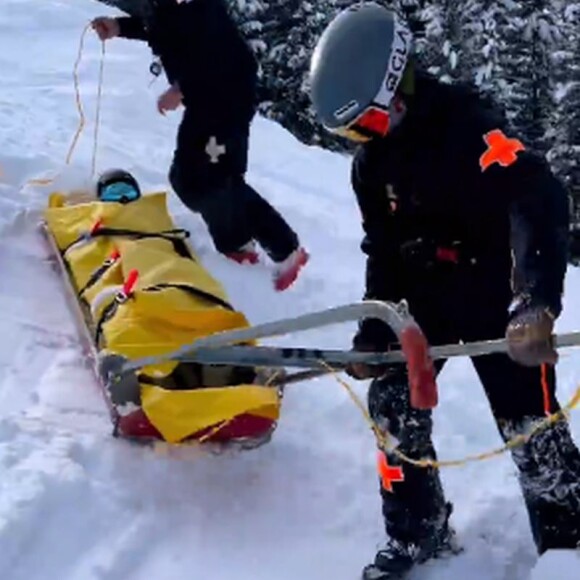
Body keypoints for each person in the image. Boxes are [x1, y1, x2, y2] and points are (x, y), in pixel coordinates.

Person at [308, 2, 580, 578]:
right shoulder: (370, 168)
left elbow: (538, 198)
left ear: (398, 89)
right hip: (423, 298)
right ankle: (416, 532)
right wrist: (376, 332)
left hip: (492, 293)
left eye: (369, 124)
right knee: (392, 406)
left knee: (528, 422)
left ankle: (568, 548)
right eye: (353, 133)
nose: (365, 141)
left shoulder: (467, 126)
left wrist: (536, 301)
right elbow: (382, 252)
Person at [91, 0, 308, 292]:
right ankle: (249, 246)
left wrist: (181, 89)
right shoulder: (166, 8)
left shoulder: (198, 6)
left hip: (224, 99)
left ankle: (272, 249)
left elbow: (218, 54)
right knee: (205, 179)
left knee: (201, 180)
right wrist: (119, 27)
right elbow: (161, 27)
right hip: (211, 100)